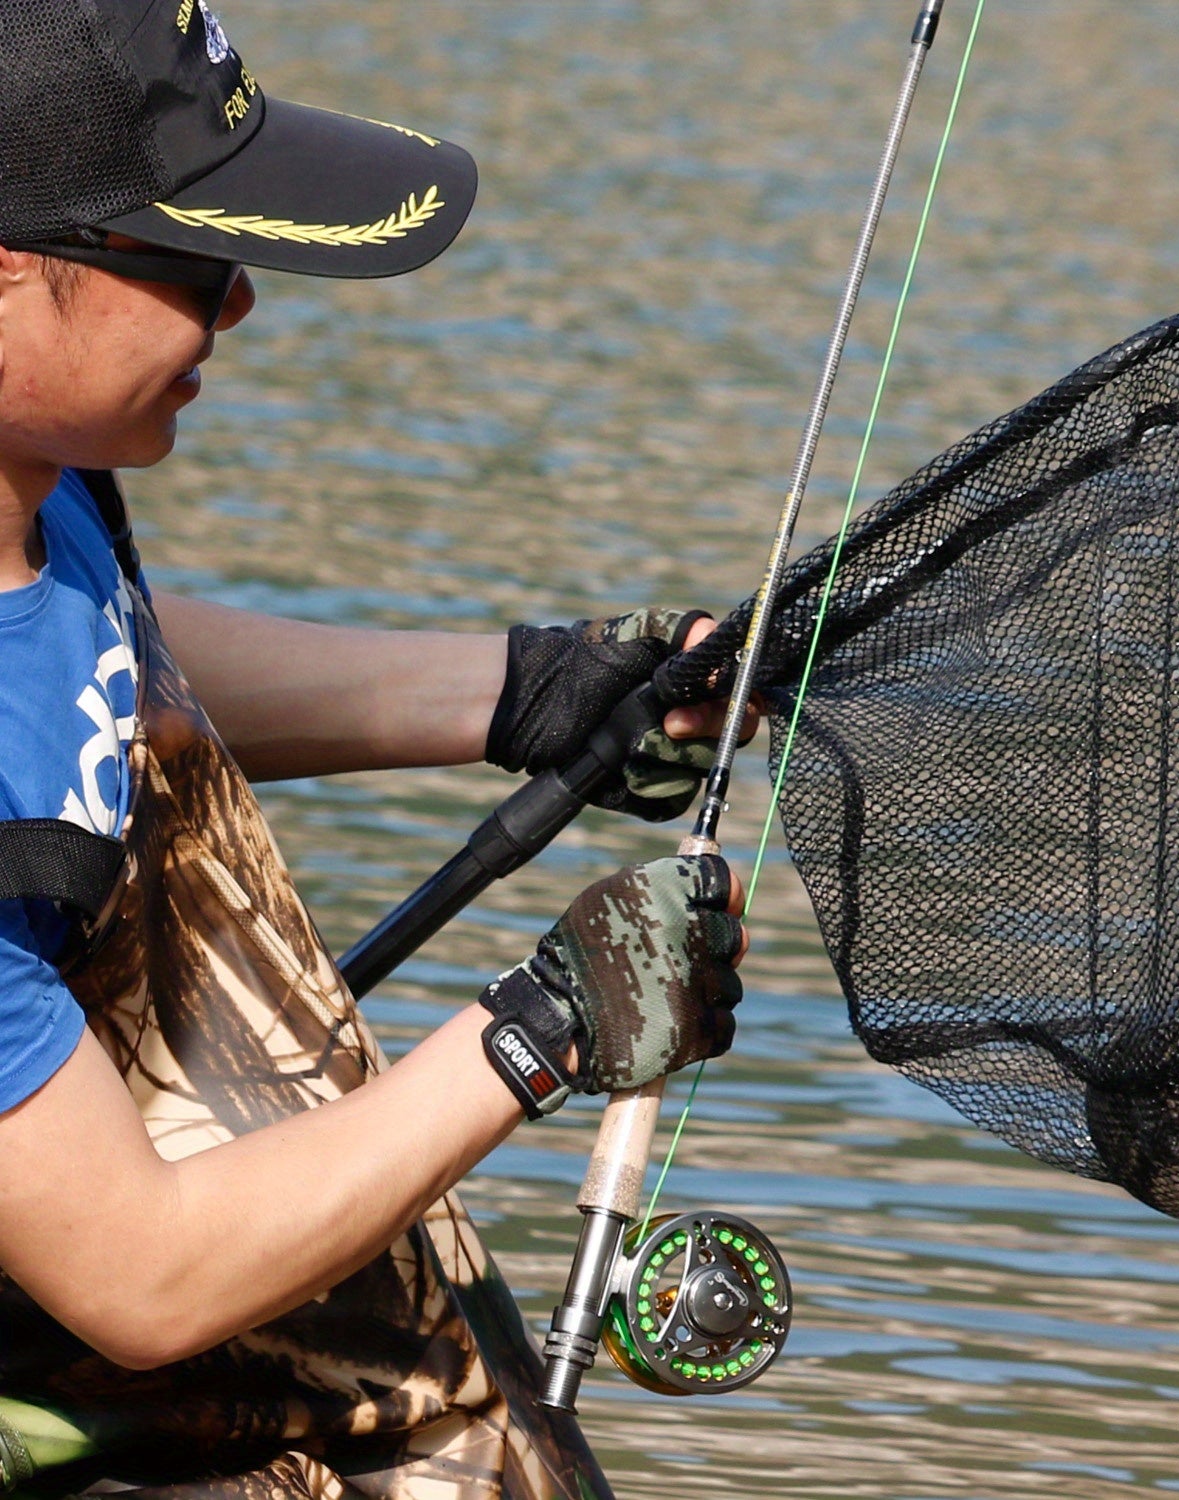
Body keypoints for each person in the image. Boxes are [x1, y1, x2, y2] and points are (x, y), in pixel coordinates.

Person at [0, 2, 754, 1496]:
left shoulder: (50, 486)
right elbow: (139, 1276)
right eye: (191, 262)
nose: (238, 309)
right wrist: (537, 1033)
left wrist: (520, 693)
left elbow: (105, 678)